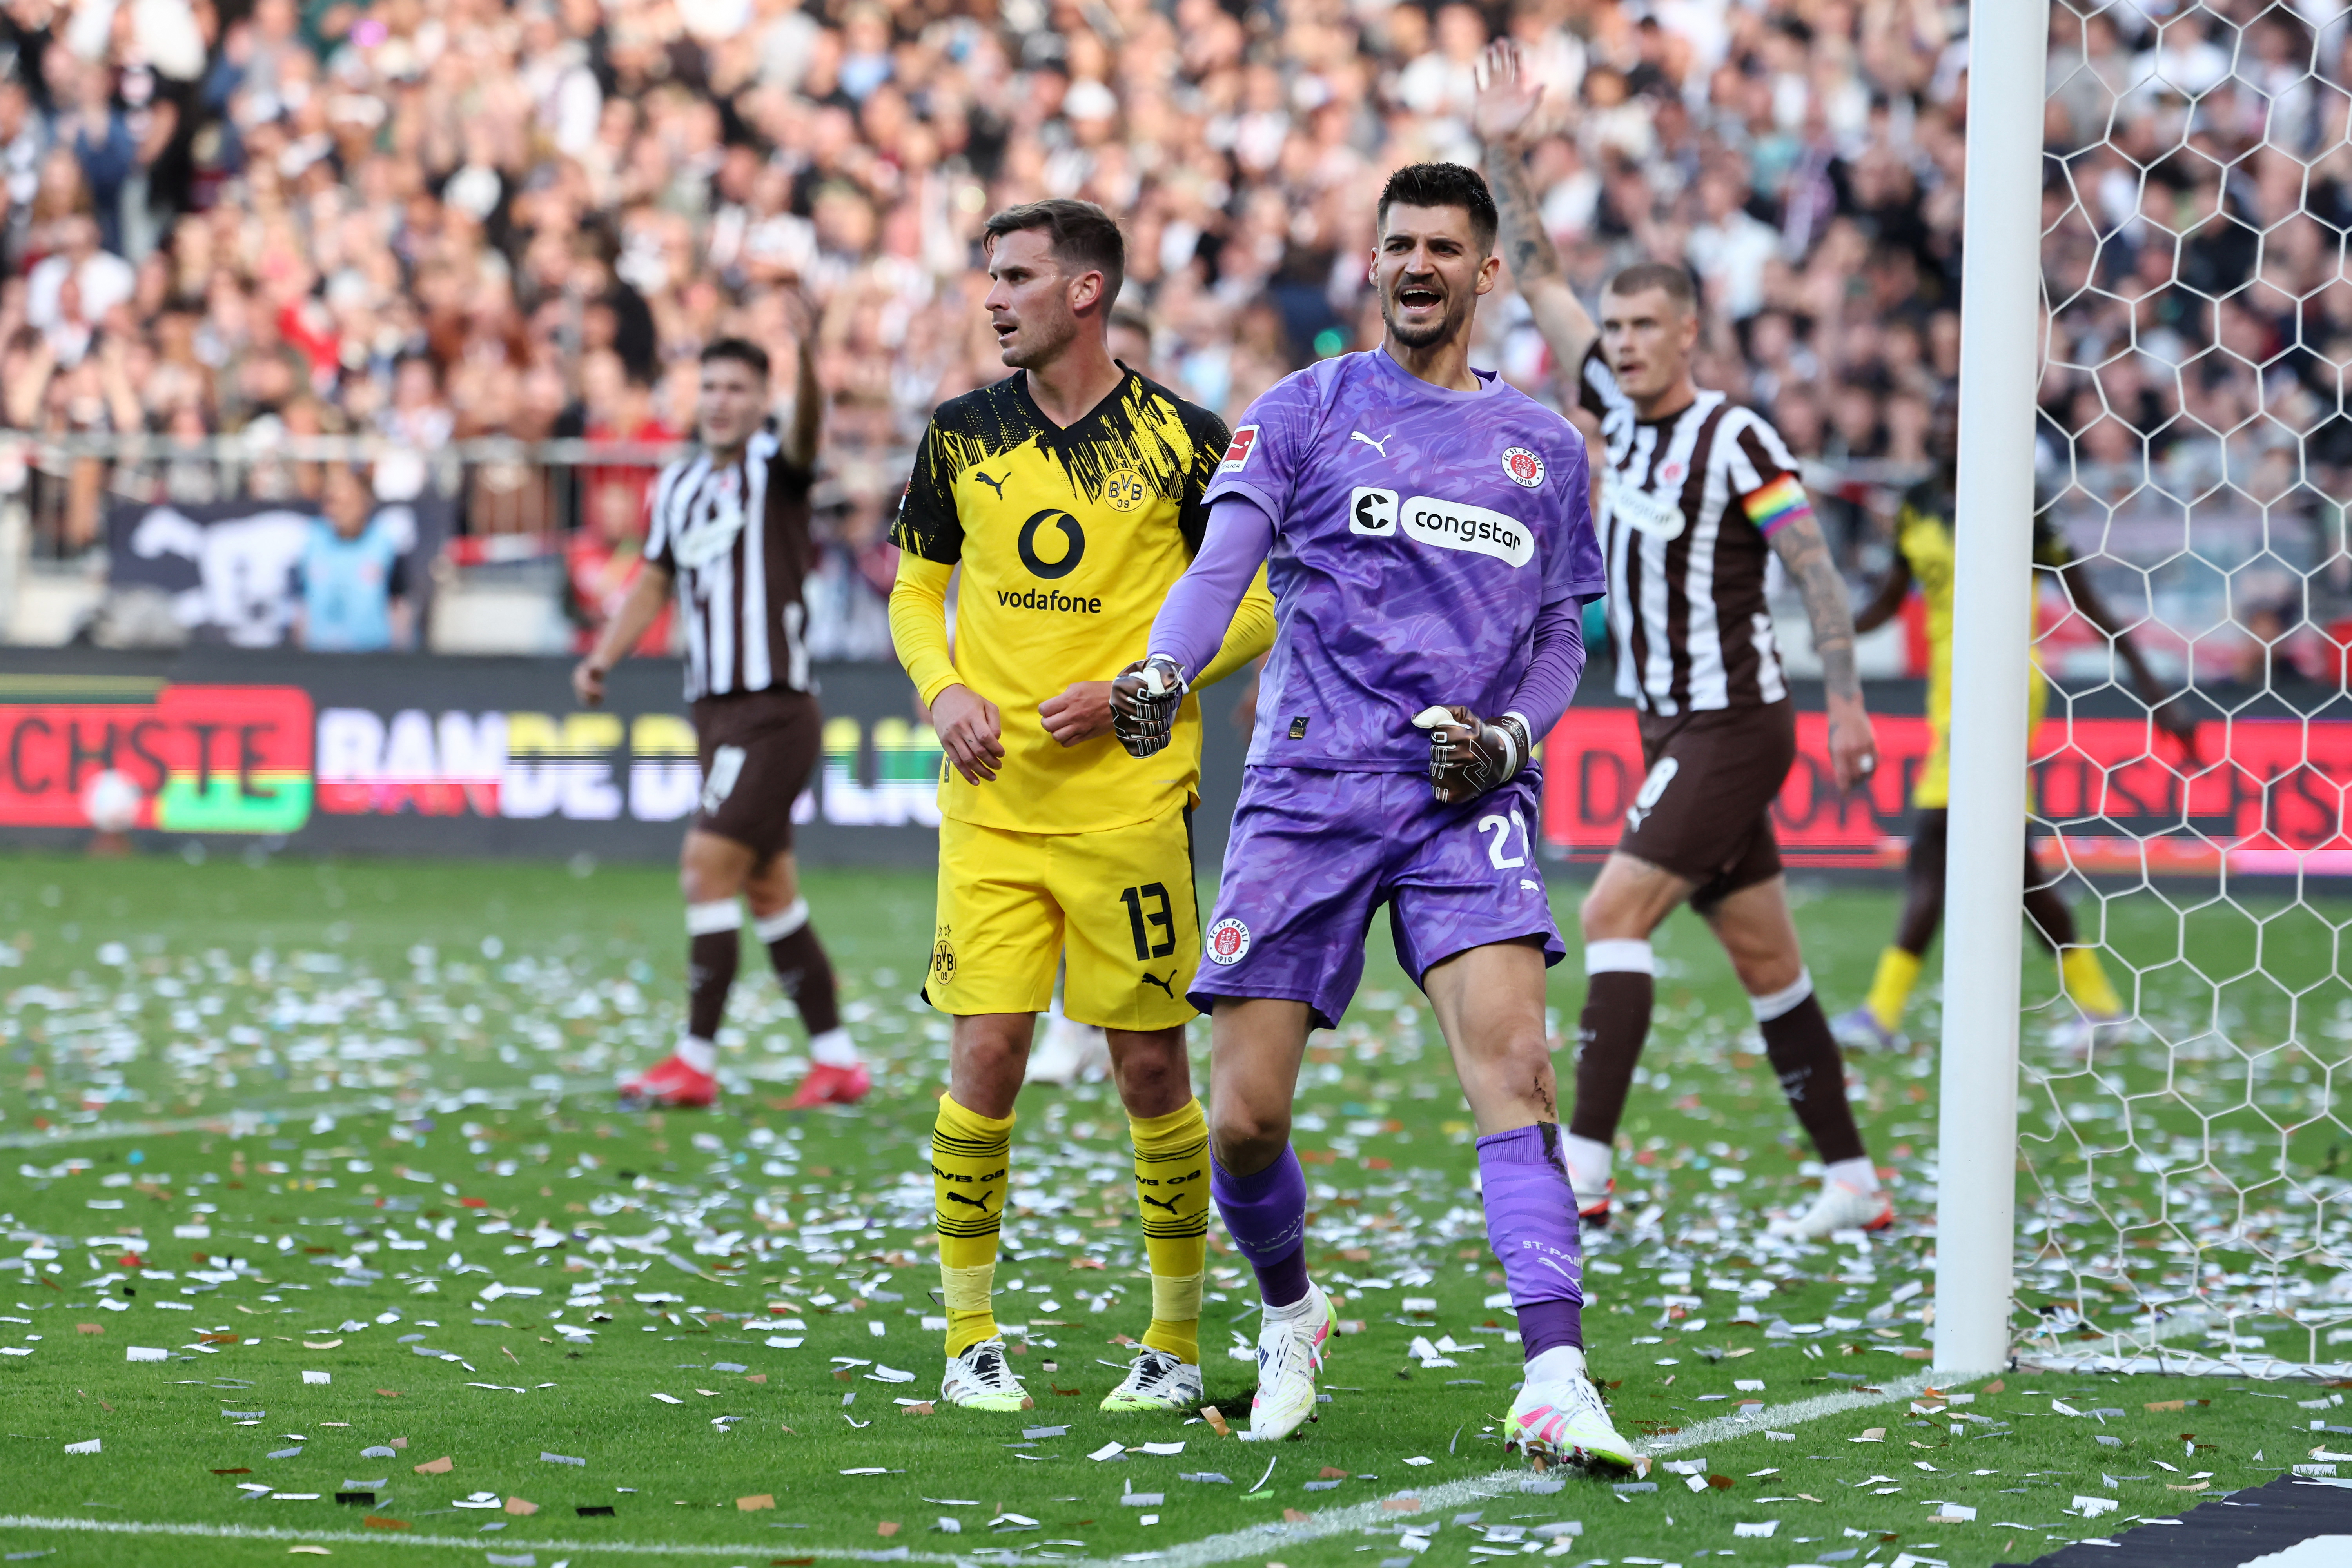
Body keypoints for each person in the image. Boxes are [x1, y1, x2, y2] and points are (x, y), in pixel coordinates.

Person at [1114, 160, 1631, 1468]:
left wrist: (1515, 737)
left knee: (1516, 1069)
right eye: (1397, 243)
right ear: (1374, 263)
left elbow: (1565, 637)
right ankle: (1291, 1310)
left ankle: (1558, 1376)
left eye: (1442, 248)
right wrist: (1165, 671)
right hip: (1307, 788)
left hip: (1467, 796)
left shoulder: (1546, 452)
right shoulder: (1302, 409)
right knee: (1246, 1120)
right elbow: (1221, 564)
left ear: (1486, 274)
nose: (1415, 264)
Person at [1475, 41, 1888, 1240]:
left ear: (1690, 331)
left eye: (1645, 326)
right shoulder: (1606, 402)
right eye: (1613, 328)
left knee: (1608, 917)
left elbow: (1811, 568)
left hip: (1734, 723)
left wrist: (1849, 703)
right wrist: (1503, 146)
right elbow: (1541, 268)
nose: (1623, 343)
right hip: (1672, 721)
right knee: (1770, 963)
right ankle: (1852, 1181)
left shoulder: (1735, 439)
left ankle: (1584, 1171)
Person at [890, 198, 1277, 1416]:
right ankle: (967, 1337)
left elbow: (1260, 603)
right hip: (993, 809)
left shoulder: (1185, 440)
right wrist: (942, 686)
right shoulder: (958, 434)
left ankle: (1170, 1346)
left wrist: (1139, 688)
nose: (992, 298)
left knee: (1150, 1073)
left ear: (1084, 292)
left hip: (1130, 811)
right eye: (986, 276)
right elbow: (915, 593)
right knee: (987, 1054)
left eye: (1015, 276)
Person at [1832, 419, 2200, 1052]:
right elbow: (1892, 600)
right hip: (1948, 696)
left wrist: (2156, 694)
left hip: (2000, 695)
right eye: (1941, 419)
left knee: (1933, 849)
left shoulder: (2016, 503)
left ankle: (1881, 1013)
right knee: (2014, 872)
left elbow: (2089, 603)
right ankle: (2101, 1006)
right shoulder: (1918, 505)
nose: (1949, 431)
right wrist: (1831, 626)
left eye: (1960, 418)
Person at [573, 323, 865, 1111]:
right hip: (712, 712)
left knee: (705, 866)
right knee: (769, 891)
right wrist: (604, 657)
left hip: (775, 710)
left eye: (737, 388)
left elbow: (806, 430)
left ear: (762, 400)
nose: (720, 402)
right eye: (709, 388)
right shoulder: (677, 486)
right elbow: (652, 582)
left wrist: (807, 362)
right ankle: (836, 1060)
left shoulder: (779, 467)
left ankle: (694, 1060)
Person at [294, 463, 412, 652]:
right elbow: (302, 604)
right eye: (332, 502)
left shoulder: (384, 546)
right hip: (319, 657)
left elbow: (398, 605)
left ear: (364, 503)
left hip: (373, 657)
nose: (337, 510)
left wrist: (399, 661)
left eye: (346, 502)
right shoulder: (313, 542)